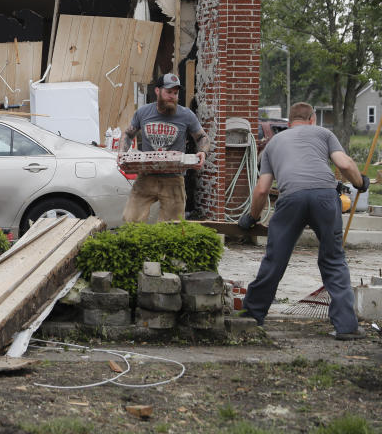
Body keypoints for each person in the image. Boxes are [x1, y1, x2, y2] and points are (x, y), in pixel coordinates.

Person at [239, 102, 368, 340]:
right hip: (325, 197)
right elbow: (344, 164)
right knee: (333, 259)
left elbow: (261, 191)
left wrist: (251, 218)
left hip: (291, 199)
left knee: (275, 259)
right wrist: (360, 182)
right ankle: (346, 327)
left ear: (289, 123)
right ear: (312, 118)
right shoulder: (323, 133)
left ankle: (251, 316)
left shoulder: (273, 144)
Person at [120, 73, 209, 222]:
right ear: (157, 91)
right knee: (130, 220)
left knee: (171, 227)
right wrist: (121, 153)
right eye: (168, 92)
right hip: (146, 177)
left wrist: (202, 152)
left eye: (175, 93)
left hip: (173, 179)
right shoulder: (143, 112)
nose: (172, 96)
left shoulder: (186, 115)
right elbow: (128, 134)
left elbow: (202, 137)